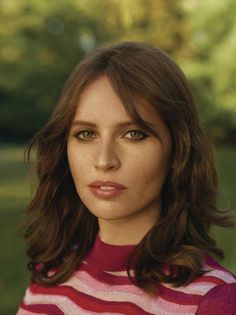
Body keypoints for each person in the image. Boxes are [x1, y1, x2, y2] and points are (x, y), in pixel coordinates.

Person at [16, 41, 236, 315]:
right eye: (86, 134)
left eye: (134, 134)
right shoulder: (51, 274)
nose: (104, 160)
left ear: (177, 149)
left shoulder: (214, 301)